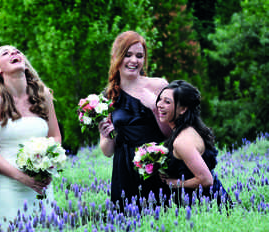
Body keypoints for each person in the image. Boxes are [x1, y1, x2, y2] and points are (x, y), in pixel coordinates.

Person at [0, 45, 62, 224]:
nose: (14, 53)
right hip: (10, 187)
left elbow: (55, 137)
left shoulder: (43, 95)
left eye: (17, 51)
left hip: (41, 185)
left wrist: (50, 164)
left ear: (25, 65)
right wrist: (21, 177)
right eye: (6, 53)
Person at [98, 31, 172, 211]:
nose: (134, 60)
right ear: (116, 57)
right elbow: (107, 152)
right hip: (125, 170)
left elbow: (171, 132)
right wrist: (106, 135)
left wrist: (155, 108)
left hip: (156, 164)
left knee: (163, 216)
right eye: (127, 55)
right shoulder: (107, 97)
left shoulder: (159, 85)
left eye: (139, 56)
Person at [156, 80, 230, 206]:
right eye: (160, 99)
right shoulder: (189, 129)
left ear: (183, 109)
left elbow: (206, 180)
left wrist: (172, 183)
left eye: (167, 102)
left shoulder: (182, 141)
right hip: (210, 199)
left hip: (204, 205)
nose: (159, 105)